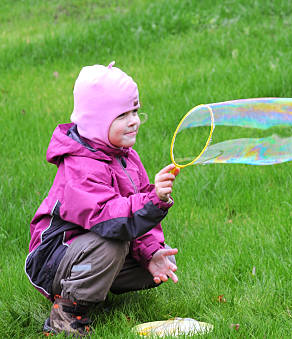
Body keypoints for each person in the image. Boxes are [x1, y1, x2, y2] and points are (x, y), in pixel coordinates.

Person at [25, 61, 180, 337]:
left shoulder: (126, 157)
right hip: (53, 259)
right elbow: (111, 219)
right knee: (113, 245)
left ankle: (90, 291)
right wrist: (154, 200)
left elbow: (134, 211)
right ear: (97, 122)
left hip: (86, 251)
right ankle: (67, 312)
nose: (134, 120)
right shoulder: (80, 166)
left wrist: (151, 253)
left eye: (135, 110)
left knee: (153, 260)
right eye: (122, 115)